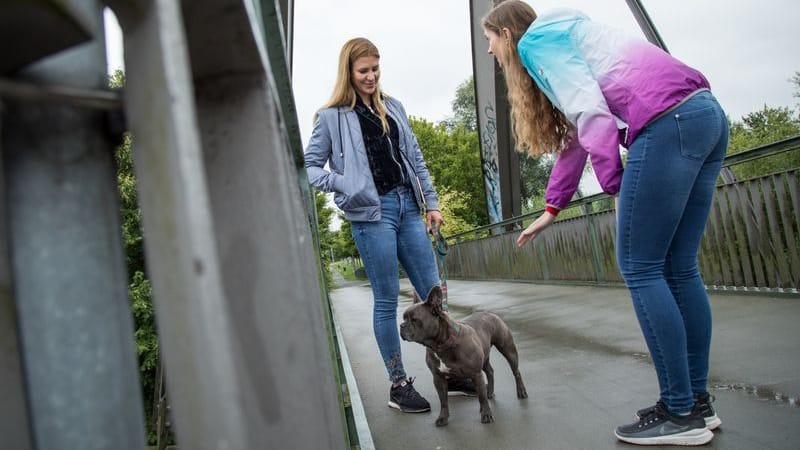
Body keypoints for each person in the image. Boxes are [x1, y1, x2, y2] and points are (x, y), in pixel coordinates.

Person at [482, 2, 728, 446]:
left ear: (507, 33)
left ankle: (679, 410)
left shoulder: (536, 44)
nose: (489, 50)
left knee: (640, 266)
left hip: (665, 122)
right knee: (679, 267)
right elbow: (579, 136)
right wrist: (553, 208)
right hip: (704, 114)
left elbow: (592, 116)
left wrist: (614, 186)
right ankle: (697, 403)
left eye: (491, 39)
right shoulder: (568, 32)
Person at [304, 37, 448, 413]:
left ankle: (452, 369)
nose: (371, 76)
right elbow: (310, 168)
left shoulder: (394, 106)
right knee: (386, 300)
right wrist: (344, 183)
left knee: (434, 295)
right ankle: (398, 384)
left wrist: (430, 203)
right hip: (371, 215)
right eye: (363, 70)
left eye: (375, 69)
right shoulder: (331, 116)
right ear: (349, 72)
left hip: (407, 206)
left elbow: (415, 158)